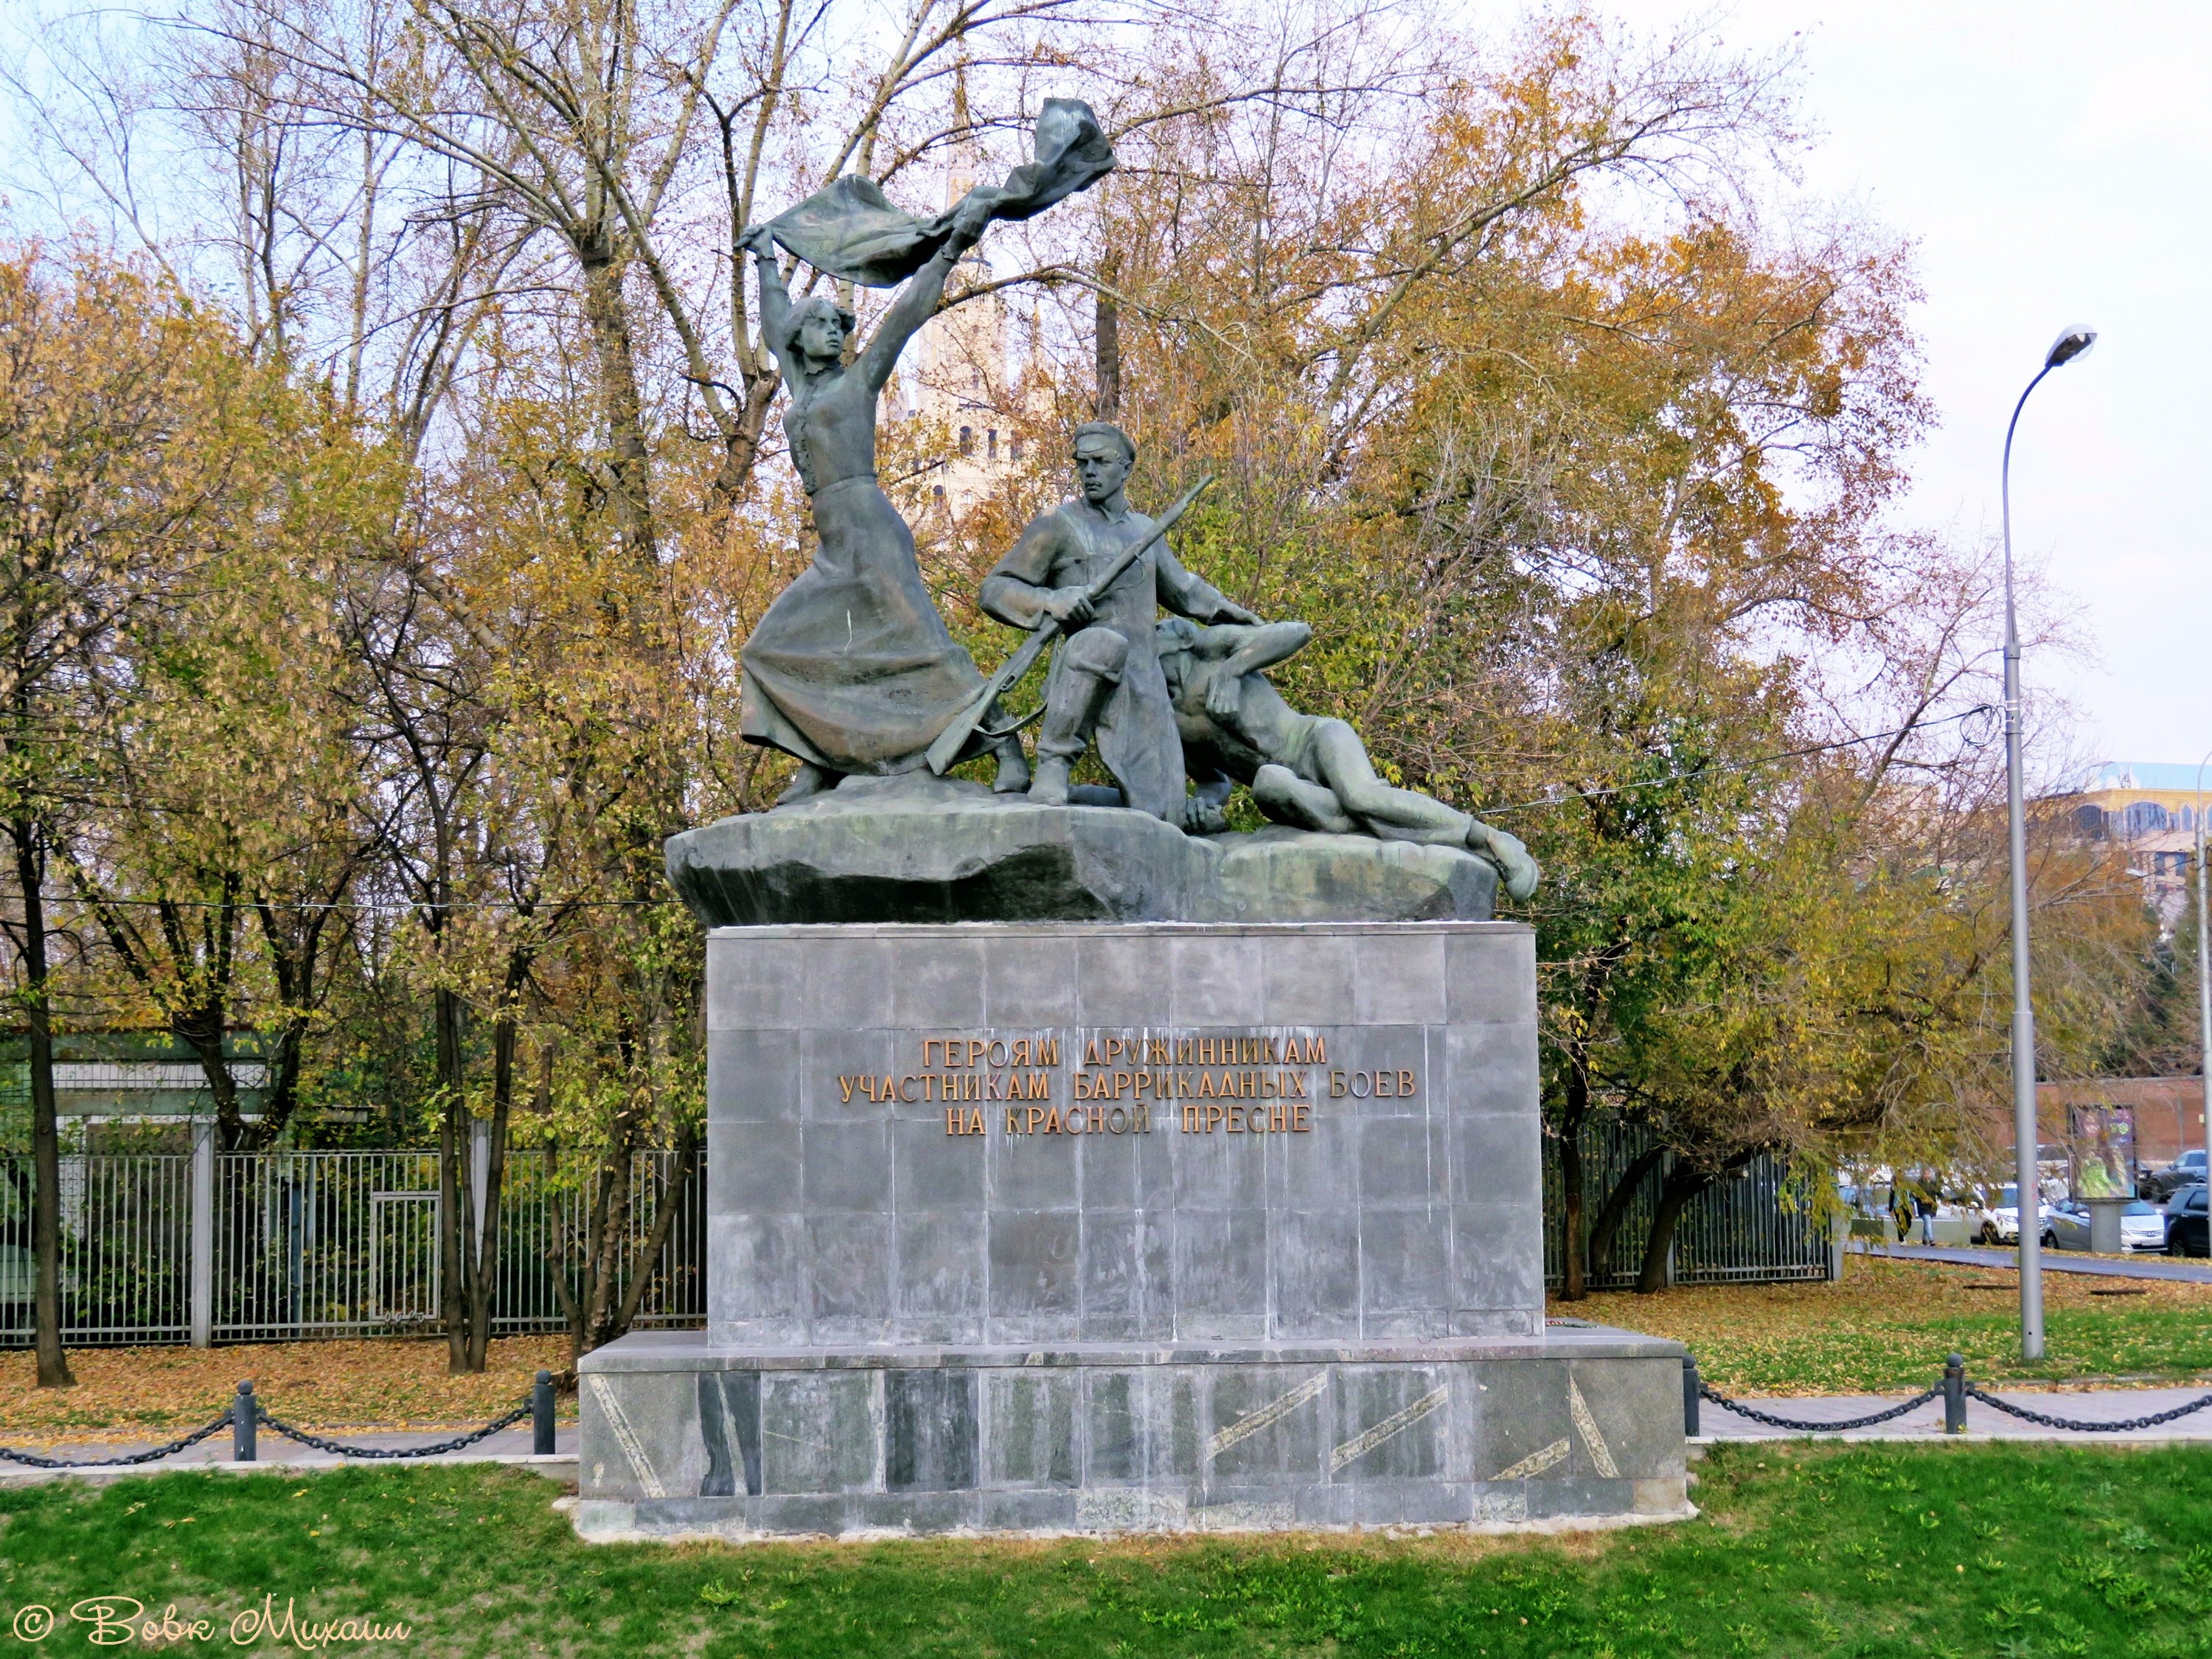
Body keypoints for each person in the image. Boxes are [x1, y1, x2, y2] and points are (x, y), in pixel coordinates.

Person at [737, 209, 1027, 802]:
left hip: (872, 536)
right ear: (801, 338)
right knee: (773, 649)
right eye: (820, 326)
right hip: (836, 547)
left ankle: (1006, 746)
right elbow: (772, 326)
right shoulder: (803, 385)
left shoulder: (857, 381)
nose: (834, 334)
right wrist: (766, 258)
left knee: (925, 648)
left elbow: (905, 315)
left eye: (837, 326)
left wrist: (947, 254)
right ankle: (823, 756)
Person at [978, 424, 1259, 818]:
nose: (1089, 471)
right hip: (1085, 669)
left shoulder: (1145, 530)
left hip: (1142, 681)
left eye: (1101, 462)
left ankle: (1081, 802)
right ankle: (1054, 765)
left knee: (1164, 814)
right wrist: (1052, 600)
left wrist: (1236, 614)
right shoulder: (1058, 523)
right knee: (1102, 644)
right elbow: (994, 590)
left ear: (1126, 469)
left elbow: (1185, 590)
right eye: (1083, 463)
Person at [1155, 616, 1540, 901]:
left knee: (1362, 797)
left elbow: (1296, 632)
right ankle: (1362, 828)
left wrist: (1232, 669)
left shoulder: (1212, 648)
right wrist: (1202, 808)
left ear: (1179, 640)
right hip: (1289, 786)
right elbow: (1213, 782)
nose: (1149, 644)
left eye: (1156, 633)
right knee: (1268, 783)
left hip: (1314, 741)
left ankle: (1486, 838)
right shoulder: (1169, 722)